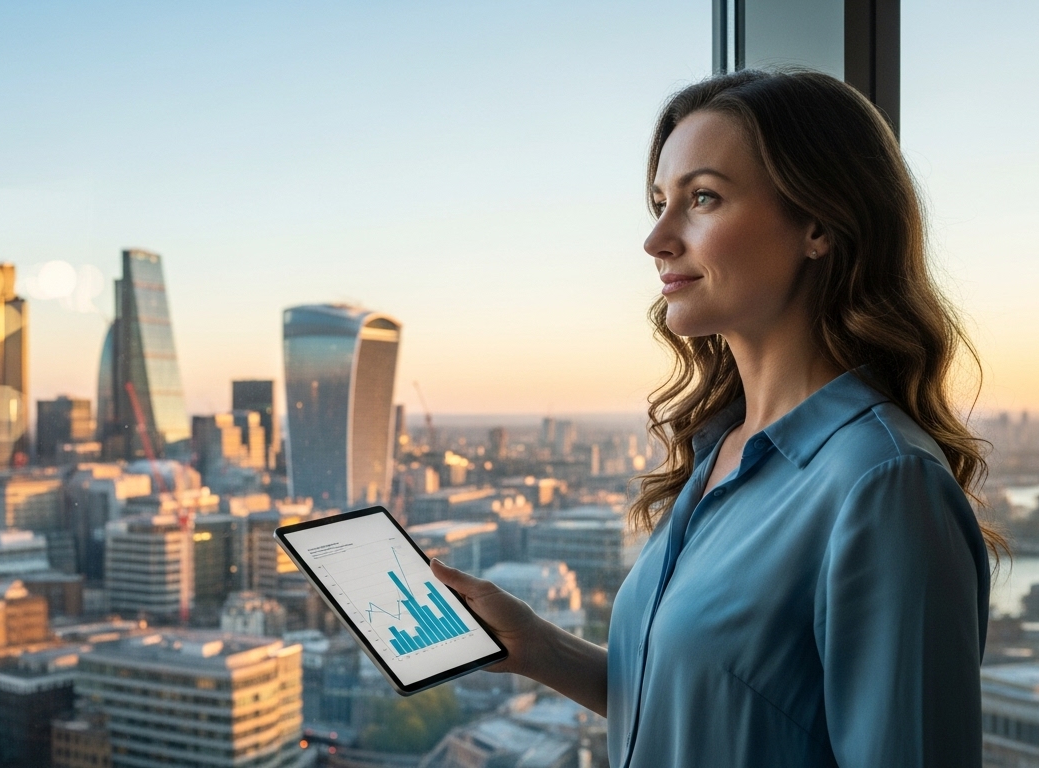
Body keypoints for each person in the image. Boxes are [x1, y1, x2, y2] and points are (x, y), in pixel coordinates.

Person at [430, 69, 1006, 767]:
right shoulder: (722, 449)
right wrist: (540, 648)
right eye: (659, 203)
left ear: (819, 224)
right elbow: (715, 711)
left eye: (702, 198)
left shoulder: (885, 484)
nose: (656, 239)